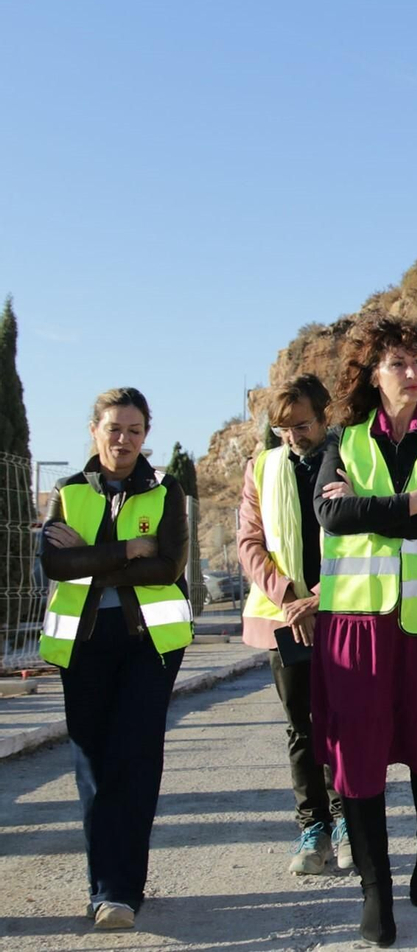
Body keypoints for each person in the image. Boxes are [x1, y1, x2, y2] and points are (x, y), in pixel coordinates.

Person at [312, 315, 417, 948]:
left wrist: (374, 511)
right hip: (358, 620)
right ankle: (374, 891)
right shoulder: (343, 439)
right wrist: (413, 506)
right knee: (358, 750)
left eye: (416, 361)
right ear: (372, 375)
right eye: (395, 362)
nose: (409, 372)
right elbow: (331, 513)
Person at [38, 387, 195, 932]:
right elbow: (56, 563)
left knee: (134, 758)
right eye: (114, 428)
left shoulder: (167, 490)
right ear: (94, 430)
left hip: (149, 644)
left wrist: (91, 559)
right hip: (81, 642)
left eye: (134, 430)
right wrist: (128, 551)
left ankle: (120, 893)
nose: (123, 439)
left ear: (145, 435)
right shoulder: (67, 490)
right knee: (94, 768)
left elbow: (169, 565)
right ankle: (102, 886)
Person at [237, 373, 348, 875]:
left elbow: (367, 535)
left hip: (343, 612)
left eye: (302, 426)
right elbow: (249, 544)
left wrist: (324, 597)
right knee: (300, 728)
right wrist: (289, 600)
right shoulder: (261, 467)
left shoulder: (352, 460)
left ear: (325, 417)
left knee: (344, 722)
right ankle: (313, 827)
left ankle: (347, 819)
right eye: (283, 429)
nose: (293, 437)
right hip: (285, 620)